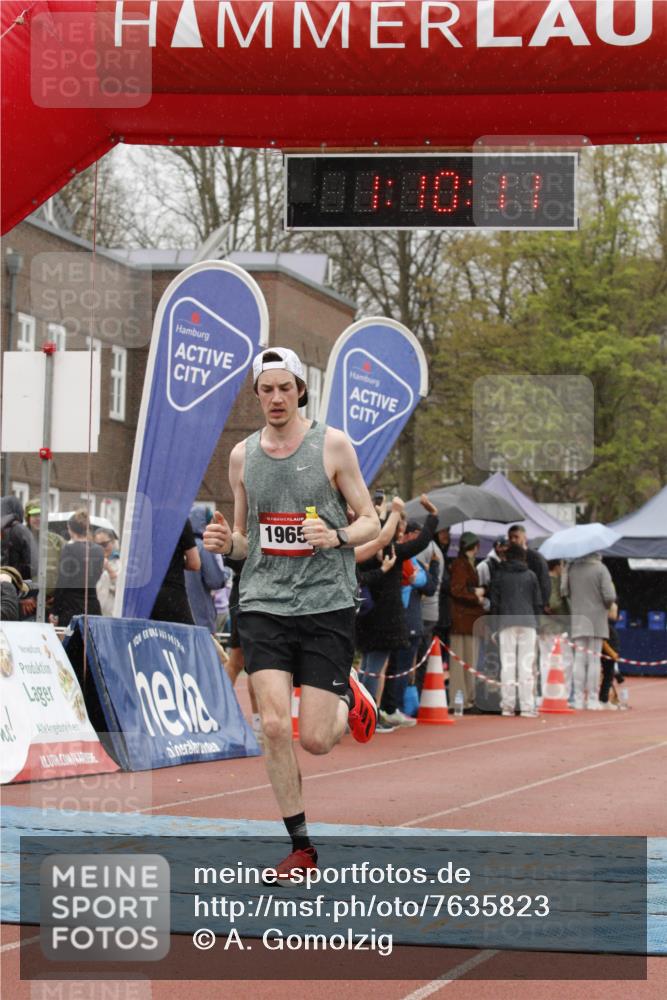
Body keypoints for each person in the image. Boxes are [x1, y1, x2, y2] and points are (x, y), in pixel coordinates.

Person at [203, 347, 379, 880]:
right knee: (275, 726)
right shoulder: (242, 457)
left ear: (301, 390)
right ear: (256, 395)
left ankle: (348, 690)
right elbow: (244, 541)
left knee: (316, 740)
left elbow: (371, 520)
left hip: (326, 602)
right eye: (266, 389)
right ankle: (301, 847)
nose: (276, 398)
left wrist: (338, 535)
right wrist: (222, 543)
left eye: (285, 388)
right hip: (263, 603)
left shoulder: (332, 445)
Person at [355, 497, 439, 720]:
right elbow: (422, 542)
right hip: (387, 618)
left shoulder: (362, 552)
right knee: (375, 670)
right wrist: (432, 516)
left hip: (365, 614)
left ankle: (358, 711)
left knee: (366, 666)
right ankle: (366, 714)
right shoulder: (394, 552)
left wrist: (381, 513)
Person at [490, 543, 543, 718]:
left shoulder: (499, 575)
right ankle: (527, 706)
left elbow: (495, 603)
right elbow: (537, 603)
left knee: (507, 665)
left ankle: (507, 706)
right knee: (526, 665)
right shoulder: (531, 575)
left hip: (506, 622)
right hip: (528, 622)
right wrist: (538, 623)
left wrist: (493, 627)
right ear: (523, 557)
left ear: (507, 556)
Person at [566, 551, 616, 710]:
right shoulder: (601, 569)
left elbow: (564, 591)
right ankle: (593, 699)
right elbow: (609, 596)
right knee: (594, 659)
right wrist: (605, 607)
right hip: (596, 618)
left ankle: (579, 698)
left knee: (579, 658)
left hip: (578, 617)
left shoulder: (571, 568)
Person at [449, 531, 485, 711]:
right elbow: (457, 590)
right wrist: (475, 595)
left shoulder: (464, 564)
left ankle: (465, 698)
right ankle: (461, 699)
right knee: (462, 662)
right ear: (476, 546)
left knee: (465, 661)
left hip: (467, 621)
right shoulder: (461, 565)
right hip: (463, 620)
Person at [51, 510, 105, 627]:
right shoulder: (99, 550)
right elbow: (98, 574)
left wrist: (54, 611)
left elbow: (62, 582)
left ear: (70, 529)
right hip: (92, 606)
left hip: (70, 609)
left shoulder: (69, 549)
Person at [185, 505, 227, 631]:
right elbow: (215, 581)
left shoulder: (181, 545)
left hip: (181, 615)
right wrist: (226, 574)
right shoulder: (204, 547)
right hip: (201, 619)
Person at [150, 520, 200, 625]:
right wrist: (178, 563)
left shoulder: (141, 517)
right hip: (172, 594)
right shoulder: (180, 519)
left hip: (144, 596)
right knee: (183, 638)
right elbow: (195, 563)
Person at [25, 498, 65, 613]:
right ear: (28, 517)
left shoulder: (56, 540)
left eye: (41, 515)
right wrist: (24, 597)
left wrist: (58, 595)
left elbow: (67, 568)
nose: (38, 518)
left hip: (51, 604)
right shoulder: (20, 539)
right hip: (27, 604)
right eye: (34, 515)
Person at [507, 525, 551, 611]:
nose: (513, 540)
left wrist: (540, 606)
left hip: (531, 607)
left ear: (525, 538)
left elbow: (544, 583)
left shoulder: (536, 558)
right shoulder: (507, 557)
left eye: (516, 537)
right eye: (510, 537)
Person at [94, 527, 121, 617]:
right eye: (98, 545)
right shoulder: (90, 563)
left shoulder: (121, 562)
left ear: (113, 542)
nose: (102, 548)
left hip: (112, 614)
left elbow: (121, 590)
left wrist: (109, 570)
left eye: (105, 544)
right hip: (94, 615)